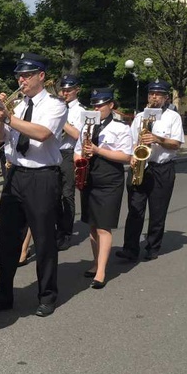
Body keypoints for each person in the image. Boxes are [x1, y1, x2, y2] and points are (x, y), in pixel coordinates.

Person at [0, 52, 67, 318]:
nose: (22, 79)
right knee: (7, 239)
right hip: (14, 174)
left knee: (43, 239)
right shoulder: (16, 107)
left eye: (28, 75)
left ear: (41, 76)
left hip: (42, 176)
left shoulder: (55, 104)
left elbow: (42, 133)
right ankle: (3, 294)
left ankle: (47, 295)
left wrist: (7, 117)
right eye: (20, 75)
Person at [116, 79, 185, 262]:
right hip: (141, 166)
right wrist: (132, 156)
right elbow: (131, 141)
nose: (154, 98)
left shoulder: (172, 117)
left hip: (162, 168)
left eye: (159, 94)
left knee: (157, 210)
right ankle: (130, 249)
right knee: (135, 210)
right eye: (151, 94)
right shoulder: (140, 117)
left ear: (166, 97)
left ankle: (152, 247)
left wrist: (156, 138)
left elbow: (176, 144)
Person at [74, 89, 132, 288]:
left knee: (103, 225)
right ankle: (95, 262)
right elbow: (76, 150)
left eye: (101, 105)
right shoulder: (86, 127)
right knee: (91, 223)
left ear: (111, 106)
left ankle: (101, 271)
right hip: (90, 177)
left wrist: (98, 150)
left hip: (109, 179)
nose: (97, 108)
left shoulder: (121, 127)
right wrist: (79, 160)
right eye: (94, 105)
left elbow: (126, 157)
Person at [56, 74, 85, 251]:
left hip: (68, 152)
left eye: (68, 90)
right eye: (63, 90)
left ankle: (66, 233)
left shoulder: (80, 110)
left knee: (67, 194)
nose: (65, 93)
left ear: (77, 90)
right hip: (53, 151)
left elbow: (77, 135)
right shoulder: (57, 106)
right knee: (53, 194)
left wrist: (62, 120)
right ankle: (56, 228)